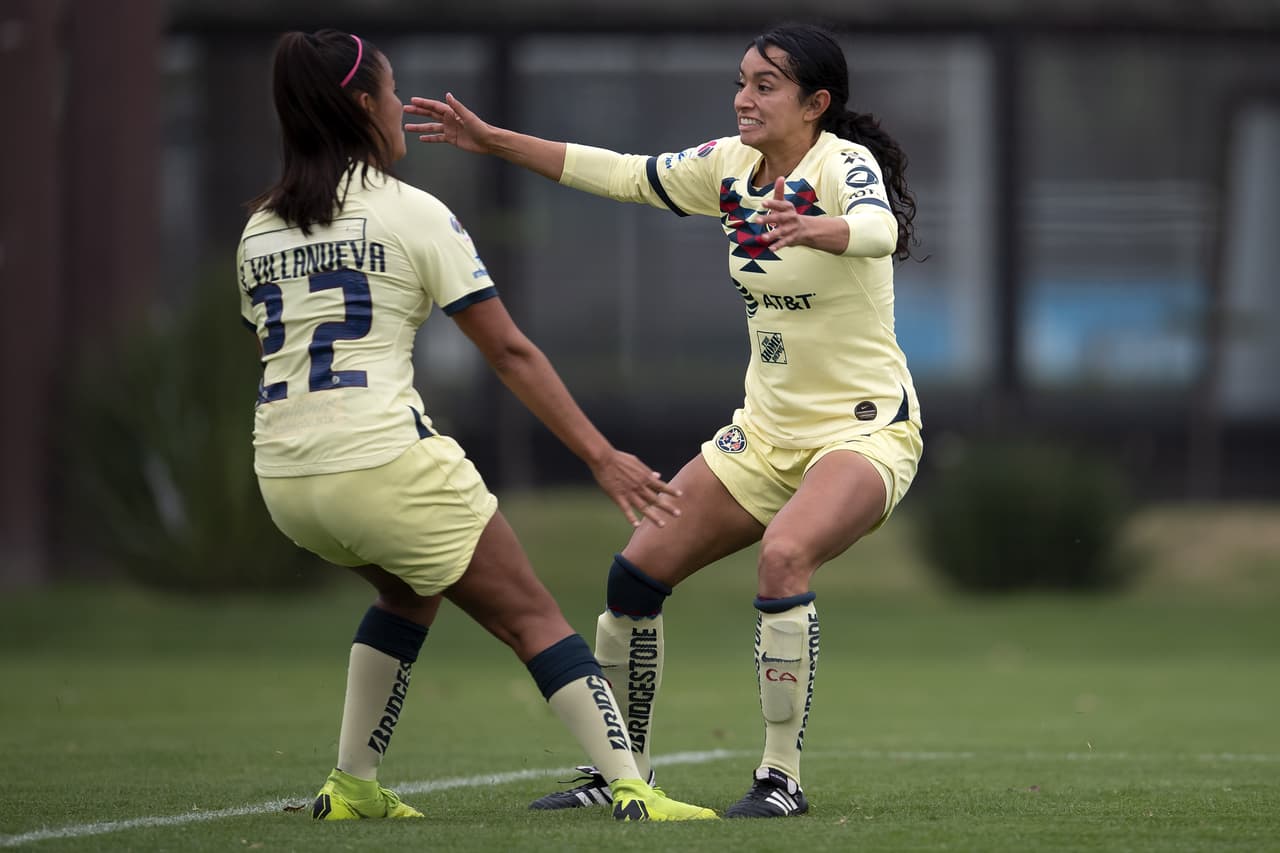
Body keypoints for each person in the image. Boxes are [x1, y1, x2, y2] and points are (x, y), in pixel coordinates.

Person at [404, 22, 924, 818]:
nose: (744, 98)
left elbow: (880, 228)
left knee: (784, 558)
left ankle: (780, 778)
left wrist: (825, 228)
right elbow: (619, 174)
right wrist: (492, 139)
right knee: (632, 577)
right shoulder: (728, 166)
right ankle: (622, 771)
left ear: (816, 104)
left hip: (863, 429)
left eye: (765, 85)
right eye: (742, 80)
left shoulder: (840, 163)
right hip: (764, 432)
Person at [237, 29, 719, 823]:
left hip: (285, 477)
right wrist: (601, 456)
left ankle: (353, 783)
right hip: (381, 462)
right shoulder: (412, 213)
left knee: (407, 590)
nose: (399, 108)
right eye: (392, 94)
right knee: (533, 614)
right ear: (364, 108)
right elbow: (510, 350)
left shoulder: (259, 229)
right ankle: (634, 787)